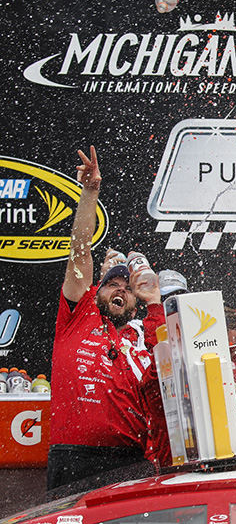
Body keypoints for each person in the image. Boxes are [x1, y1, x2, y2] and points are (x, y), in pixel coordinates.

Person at [49, 146, 165, 491]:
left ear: (135, 299)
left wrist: (155, 301)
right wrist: (90, 192)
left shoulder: (143, 336)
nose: (120, 290)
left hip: (132, 460)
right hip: (75, 457)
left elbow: (168, 375)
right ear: (97, 290)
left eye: (127, 287)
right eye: (111, 284)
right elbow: (80, 249)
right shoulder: (77, 317)